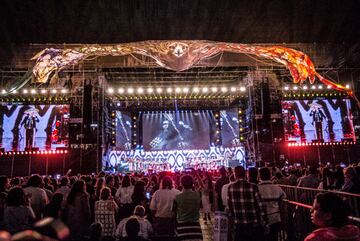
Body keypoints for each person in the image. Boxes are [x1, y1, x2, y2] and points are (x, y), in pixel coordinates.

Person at [228, 166, 268, 241]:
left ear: (235, 174)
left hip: (239, 225)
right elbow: (261, 206)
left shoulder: (230, 188)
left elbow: (230, 208)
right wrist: (264, 222)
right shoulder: (253, 187)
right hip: (254, 224)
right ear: (245, 174)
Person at [258, 167, 286, 241]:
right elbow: (284, 199)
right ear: (270, 175)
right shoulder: (277, 188)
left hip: (261, 219)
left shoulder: (257, 189)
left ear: (260, 176)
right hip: (275, 218)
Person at [173, 173, 203, 241]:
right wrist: (196, 174)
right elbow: (202, 187)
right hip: (195, 226)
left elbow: (173, 212)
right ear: (192, 183)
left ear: (181, 184)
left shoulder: (177, 197)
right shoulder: (197, 195)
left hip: (182, 226)